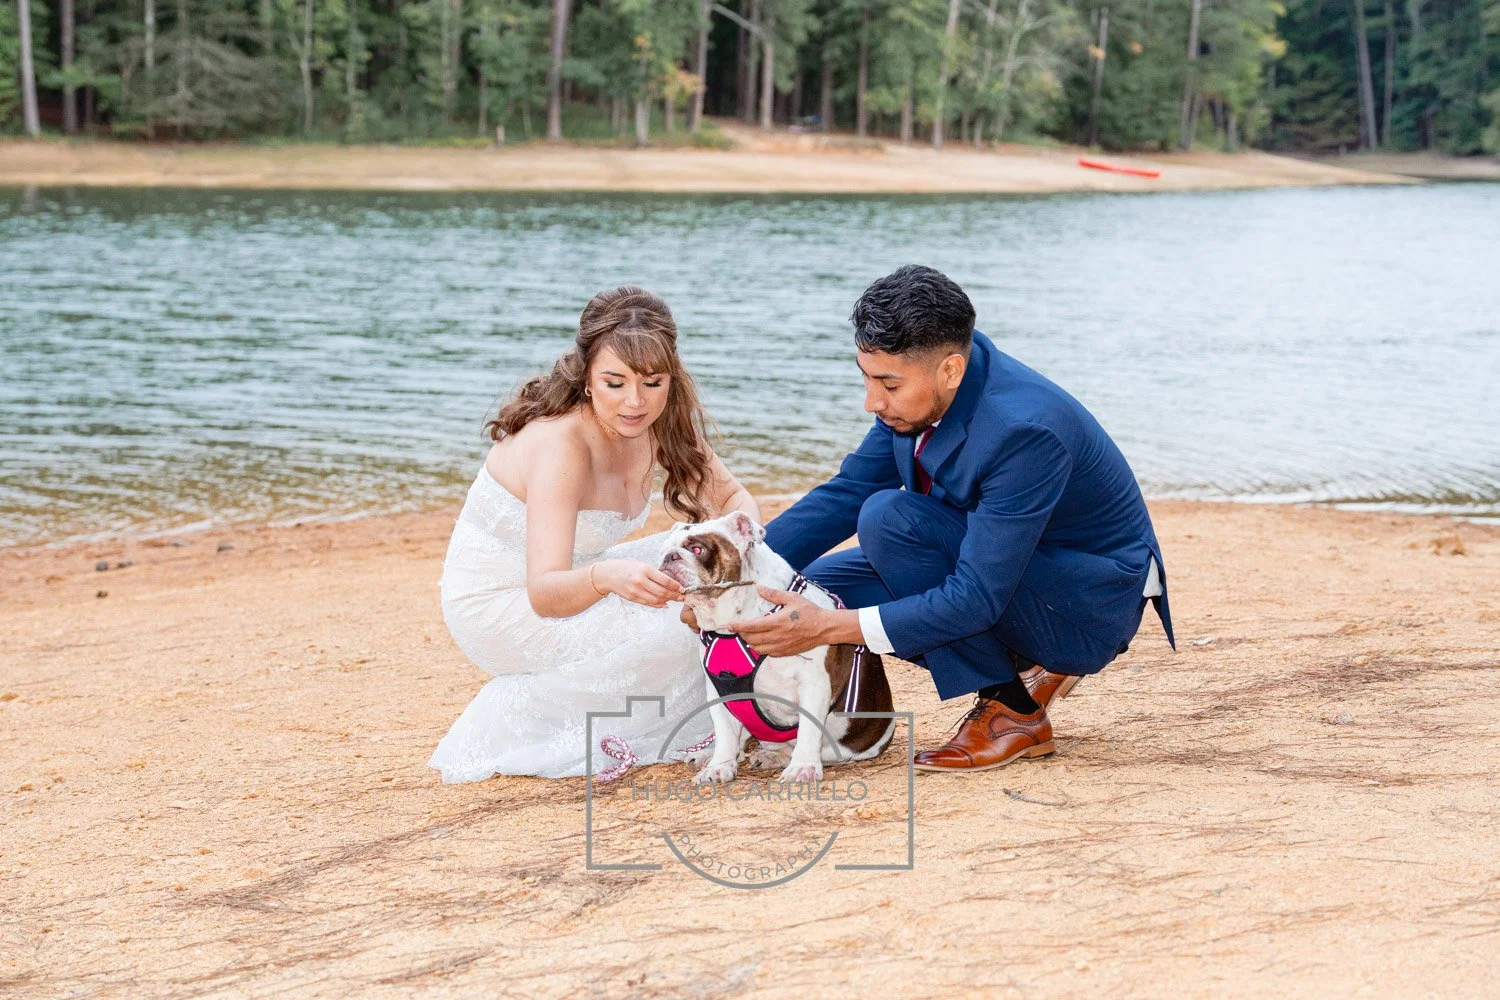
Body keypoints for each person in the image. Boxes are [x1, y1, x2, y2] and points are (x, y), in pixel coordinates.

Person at [725, 265, 1174, 773]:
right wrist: (736, 574)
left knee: (890, 521)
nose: (871, 401)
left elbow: (977, 596)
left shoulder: (1023, 430)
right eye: (866, 377)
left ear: (951, 370)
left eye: (888, 384)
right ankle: (1021, 665)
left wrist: (831, 628)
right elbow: (847, 493)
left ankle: (1012, 710)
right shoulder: (925, 390)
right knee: (806, 588)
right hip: (1006, 561)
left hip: (1081, 606)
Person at [429, 286, 758, 781]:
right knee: (683, 623)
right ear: (586, 377)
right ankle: (524, 705)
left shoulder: (661, 421)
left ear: (671, 376)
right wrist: (607, 577)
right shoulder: (561, 446)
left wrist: (744, 553)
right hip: (502, 604)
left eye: (653, 382)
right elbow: (544, 592)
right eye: (614, 382)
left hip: (579, 575)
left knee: (695, 565)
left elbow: (732, 499)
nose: (635, 401)